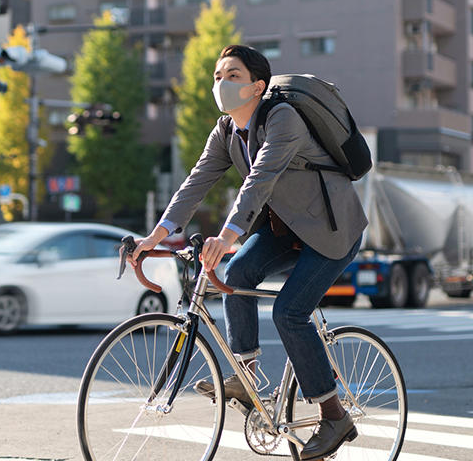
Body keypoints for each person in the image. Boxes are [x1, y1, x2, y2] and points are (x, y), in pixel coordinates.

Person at [130, 45, 367, 460]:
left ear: (257, 86)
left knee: (289, 313)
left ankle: (334, 416)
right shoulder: (226, 131)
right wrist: (157, 235)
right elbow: (196, 182)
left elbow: (259, 181)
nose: (221, 83)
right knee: (236, 275)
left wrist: (226, 235)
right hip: (287, 229)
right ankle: (246, 378)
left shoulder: (283, 119)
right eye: (217, 75)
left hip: (333, 231)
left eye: (233, 76)